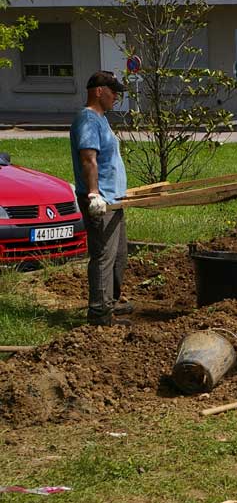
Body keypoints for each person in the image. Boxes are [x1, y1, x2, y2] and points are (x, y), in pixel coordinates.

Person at [70, 71, 131, 327]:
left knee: (119, 254)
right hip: (100, 201)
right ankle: (99, 314)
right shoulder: (87, 120)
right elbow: (88, 159)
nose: (116, 96)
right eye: (113, 91)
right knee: (104, 257)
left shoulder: (101, 119)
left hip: (113, 199)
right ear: (98, 91)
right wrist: (94, 194)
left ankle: (112, 301)